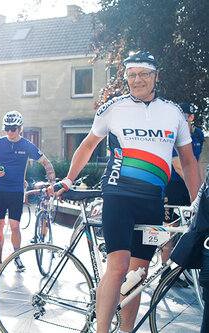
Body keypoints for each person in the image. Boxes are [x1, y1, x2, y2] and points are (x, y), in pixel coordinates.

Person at [54, 51, 201, 333]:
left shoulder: (172, 114)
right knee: (119, 266)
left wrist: (197, 203)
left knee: (138, 275)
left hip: (153, 201)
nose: (137, 80)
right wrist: (69, 180)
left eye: (144, 74)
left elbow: (188, 161)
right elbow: (87, 145)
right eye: (131, 75)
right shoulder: (113, 108)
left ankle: (125, 331)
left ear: (156, 77)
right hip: (118, 196)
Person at [0, 110, 56, 271]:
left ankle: (16, 256)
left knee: (15, 226)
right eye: (7, 128)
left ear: (20, 128)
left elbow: (46, 162)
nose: (10, 131)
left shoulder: (26, 145)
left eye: (13, 128)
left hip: (16, 191)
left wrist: (53, 183)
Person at [160, 102, 204, 282]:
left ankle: (183, 269)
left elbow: (197, 163)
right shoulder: (173, 134)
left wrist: (202, 189)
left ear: (191, 117)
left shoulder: (198, 135)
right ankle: (164, 271)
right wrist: (196, 193)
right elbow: (179, 166)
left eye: (184, 116)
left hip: (190, 185)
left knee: (188, 228)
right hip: (173, 185)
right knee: (170, 230)